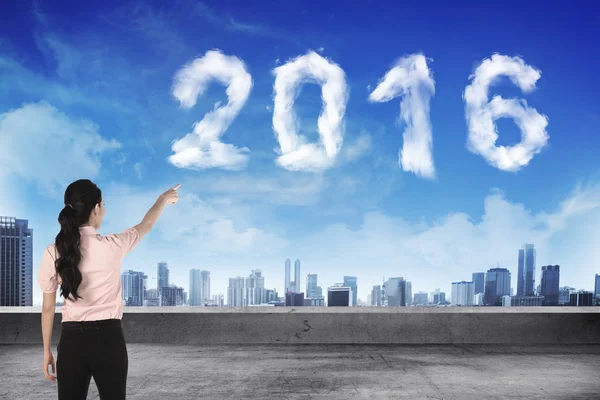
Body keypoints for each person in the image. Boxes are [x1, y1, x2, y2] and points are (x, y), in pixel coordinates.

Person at [37, 179, 180, 399]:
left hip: (72, 342)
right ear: (95, 209)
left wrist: (47, 351)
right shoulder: (114, 245)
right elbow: (146, 225)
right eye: (103, 204)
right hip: (108, 340)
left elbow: (48, 309)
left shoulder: (53, 252)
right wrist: (162, 200)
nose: (104, 209)